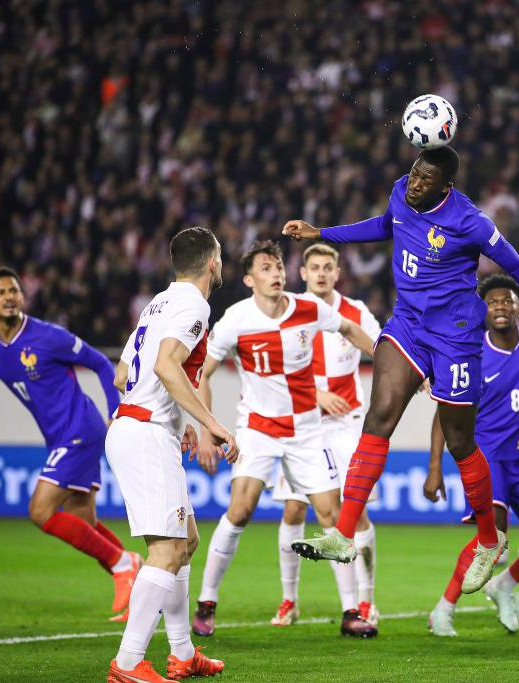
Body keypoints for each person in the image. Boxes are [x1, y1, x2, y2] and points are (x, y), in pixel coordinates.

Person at [282, 146, 519, 594]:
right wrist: (320, 232)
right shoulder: (401, 191)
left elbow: (517, 266)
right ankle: (343, 535)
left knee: (460, 441)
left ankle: (489, 541)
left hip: (455, 336)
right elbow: (385, 225)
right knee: (379, 416)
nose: (415, 183)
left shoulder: (471, 221)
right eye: (414, 173)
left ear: (446, 187)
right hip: (407, 323)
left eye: (426, 179)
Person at [188, 240, 377, 639]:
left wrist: (388, 359)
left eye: (278, 267)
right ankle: (207, 602)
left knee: (332, 515)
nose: (275, 274)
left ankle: (350, 612)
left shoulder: (308, 309)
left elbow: (349, 329)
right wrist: (207, 429)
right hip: (258, 429)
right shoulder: (236, 319)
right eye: (266, 268)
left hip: (307, 430)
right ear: (249, 279)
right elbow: (202, 374)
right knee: (240, 510)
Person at [0, 266, 140, 618]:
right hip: (59, 437)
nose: (9, 297)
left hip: (80, 428)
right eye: (1, 292)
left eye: (14, 290)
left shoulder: (48, 336)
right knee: (82, 521)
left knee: (40, 511)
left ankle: (124, 563)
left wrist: (115, 412)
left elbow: (102, 364)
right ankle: (141, 590)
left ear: (22, 296)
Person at [105, 226, 237, 683]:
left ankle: (182, 652)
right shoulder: (194, 304)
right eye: (221, 257)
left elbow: (122, 374)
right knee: (166, 552)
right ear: (212, 262)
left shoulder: (156, 304)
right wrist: (211, 424)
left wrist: (174, 420)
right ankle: (127, 663)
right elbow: (166, 365)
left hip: (143, 425)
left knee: (187, 543)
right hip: (145, 433)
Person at [423, 274, 519, 635]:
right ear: (483, 310)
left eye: (507, 300)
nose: (500, 307)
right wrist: (434, 468)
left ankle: (506, 584)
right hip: (486, 458)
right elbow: (443, 413)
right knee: (494, 541)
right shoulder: (469, 351)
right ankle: (443, 610)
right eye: (492, 303)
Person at [269, 243, 383, 628]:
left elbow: (383, 350)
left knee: (356, 510)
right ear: (303, 274)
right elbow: (275, 366)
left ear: (337, 273)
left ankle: (365, 601)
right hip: (302, 422)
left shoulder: (356, 312)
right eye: (314, 267)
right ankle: (289, 600)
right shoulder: (287, 309)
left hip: (347, 422)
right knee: (293, 508)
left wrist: (410, 374)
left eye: (327, 267)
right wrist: (316, 394)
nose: (320, 273)